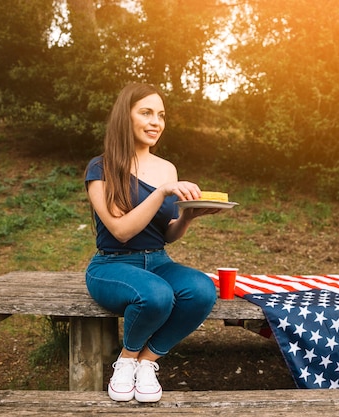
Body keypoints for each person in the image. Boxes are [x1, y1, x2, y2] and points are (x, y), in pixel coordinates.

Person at [84, 83, 219, 403]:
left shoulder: (166, 168)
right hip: (112, 265)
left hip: (158, 261)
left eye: (161, 115)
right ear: (124, 117)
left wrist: (187, 218)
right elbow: (121, 231)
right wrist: (161, 193)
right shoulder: (100, 167)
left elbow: (167, 234)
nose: (156, 121)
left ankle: (146, 362)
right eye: (146, 112)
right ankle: (126, 360)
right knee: (156, 294)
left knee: (202, 289)